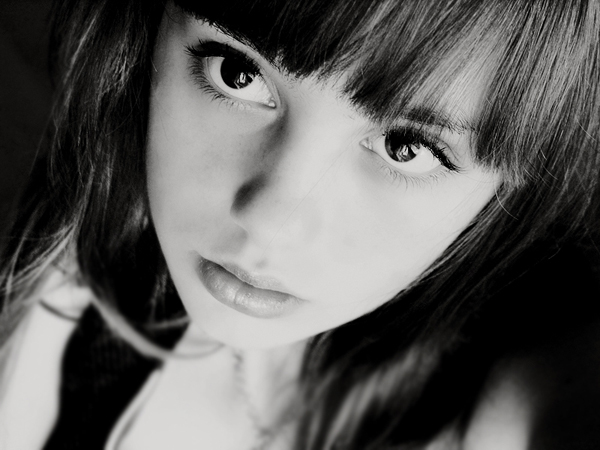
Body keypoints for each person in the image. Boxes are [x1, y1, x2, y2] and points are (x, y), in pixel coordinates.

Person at [0, 0, 599, 448]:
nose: (269, 222)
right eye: (237, 72)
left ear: (513, 186)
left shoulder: (524, 398)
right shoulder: (51, 224)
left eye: (407, 147)